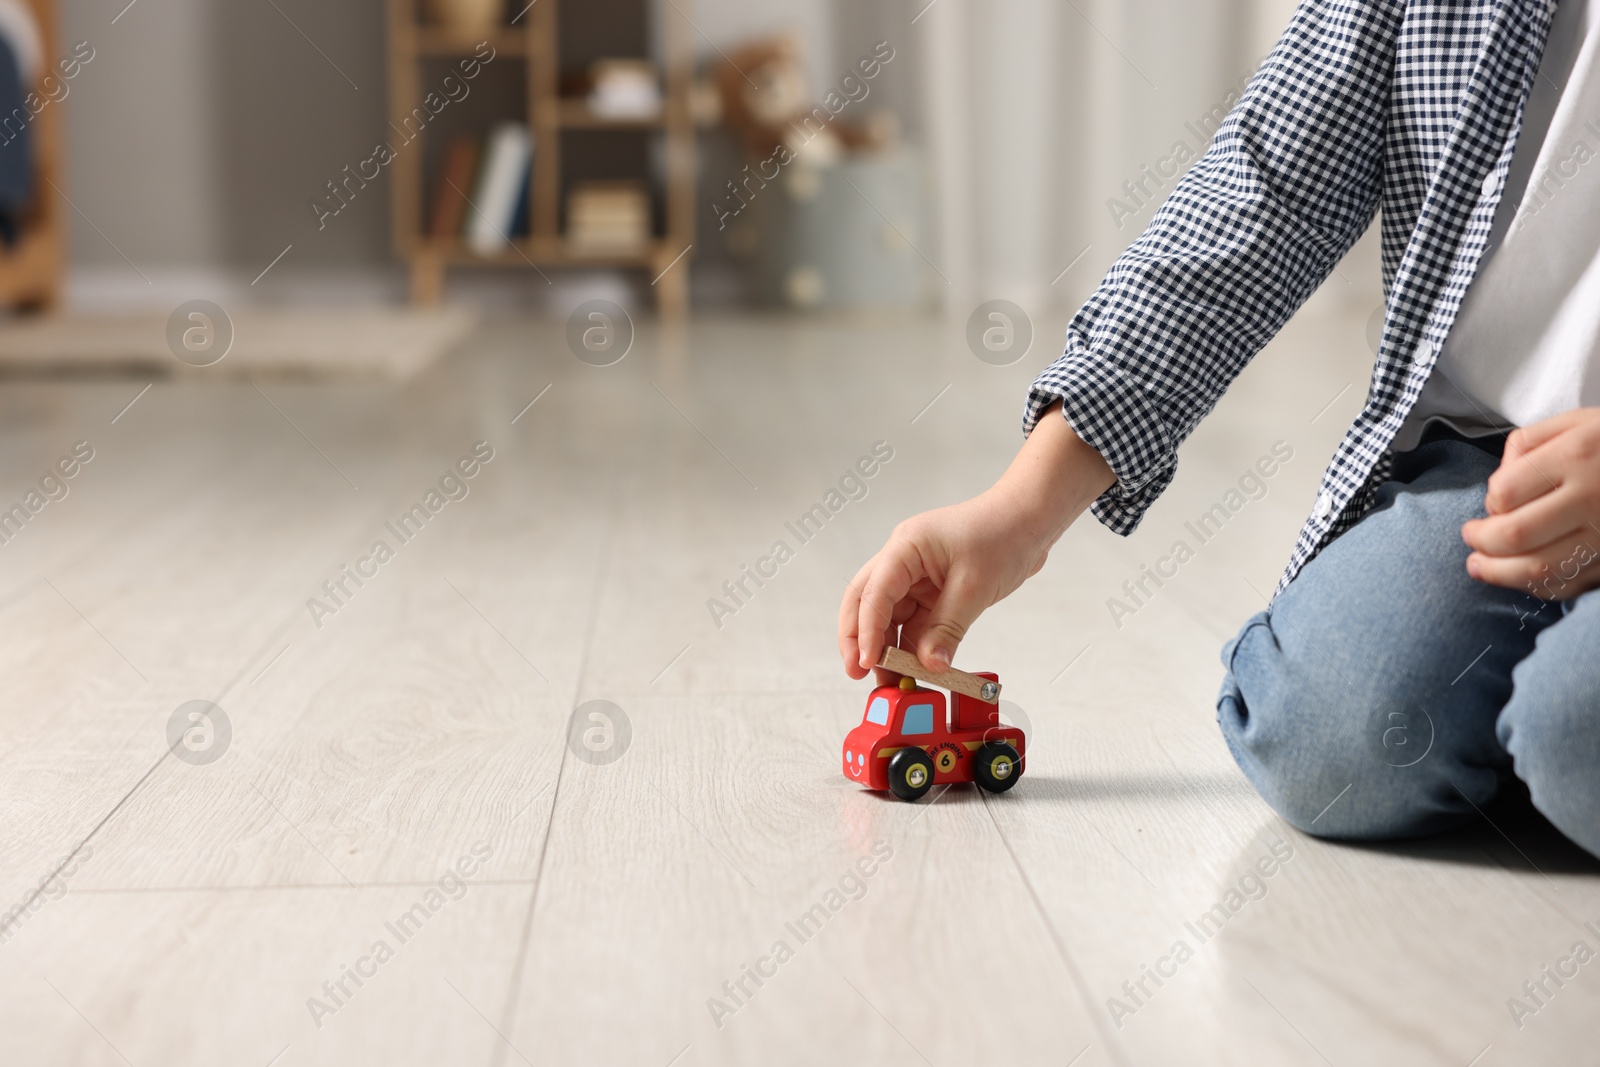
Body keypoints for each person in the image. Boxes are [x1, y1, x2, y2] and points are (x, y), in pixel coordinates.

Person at [838, 0, 1600, 859]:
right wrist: (1021, 510)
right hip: (1497, 456)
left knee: (1574, 733)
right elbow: (1261, 190)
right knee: (1326, 743)